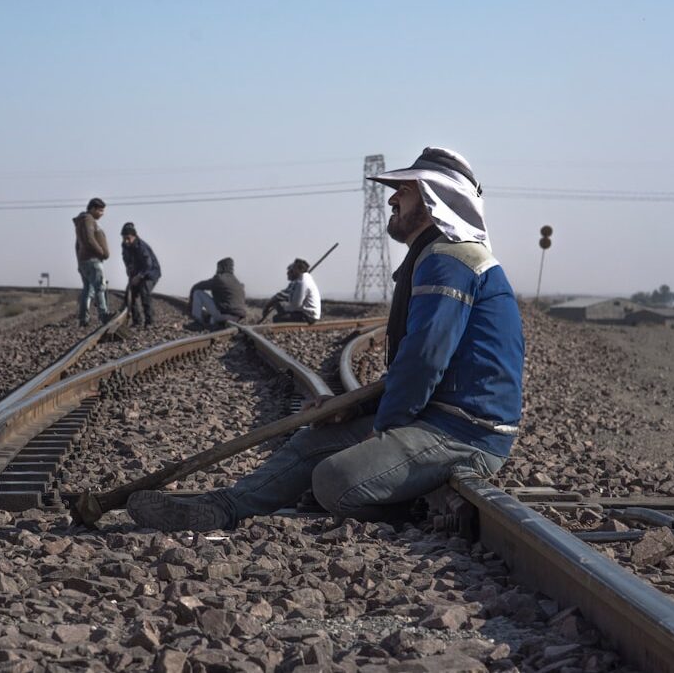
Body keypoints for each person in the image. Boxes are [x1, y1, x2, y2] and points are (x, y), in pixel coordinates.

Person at [127, 147, 524, 532]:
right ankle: (222, 508)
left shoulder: (449, 260)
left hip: (466, 433)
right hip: (437, 418)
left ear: (434, 200)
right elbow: (420, 366)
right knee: (311, 441)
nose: (392, 200)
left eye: (403, 191)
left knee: (334, 479)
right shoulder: (435, 256)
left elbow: (423, 360)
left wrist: (384, 426)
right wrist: (353, 408)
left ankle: (412, 508)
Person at [73, 198, 110, 327]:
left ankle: (84, 318)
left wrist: (79, 263)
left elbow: (78, 245)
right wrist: (102, 252)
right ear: (93, 209)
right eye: (100, 210)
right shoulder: (88, 219)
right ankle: (104, 315)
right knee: (100, 287)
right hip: (92, 259)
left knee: (88, 289)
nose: (102, 214)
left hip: (84, 260)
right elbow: (89, 240)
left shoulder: (82, 221)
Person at [120, 222, 161, 327]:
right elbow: (126, 259)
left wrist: (139, 276)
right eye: (124, 238)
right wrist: (129, 269)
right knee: (129, 295)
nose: (126, 241)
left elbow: (148, 265)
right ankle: (137, 321)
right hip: (137, 273)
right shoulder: (125, 246)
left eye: (128, 238)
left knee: (144, 292)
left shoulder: (142, 247)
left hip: (150, 273)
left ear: (134, 236)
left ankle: (149, 321)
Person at [188, 257, 247, 328]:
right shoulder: (237, 282)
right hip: (237, 318)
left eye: (218, 267)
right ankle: (216, 322)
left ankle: (197, 321)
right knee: (212, 320)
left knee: (197, 293)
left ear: (222, 267)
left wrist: (191, 302)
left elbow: (197, 286)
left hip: (223, 314)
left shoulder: (219, 278)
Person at [262, 258, 321, 323]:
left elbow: (296, 305)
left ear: (298, 270)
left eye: (293, 269)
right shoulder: (301, 280)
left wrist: (285, 307)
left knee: (277, 318)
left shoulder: (302, 282)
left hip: (308, 316)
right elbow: (283, 295)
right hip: (308, 314)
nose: (290, 271)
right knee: (280, 307)